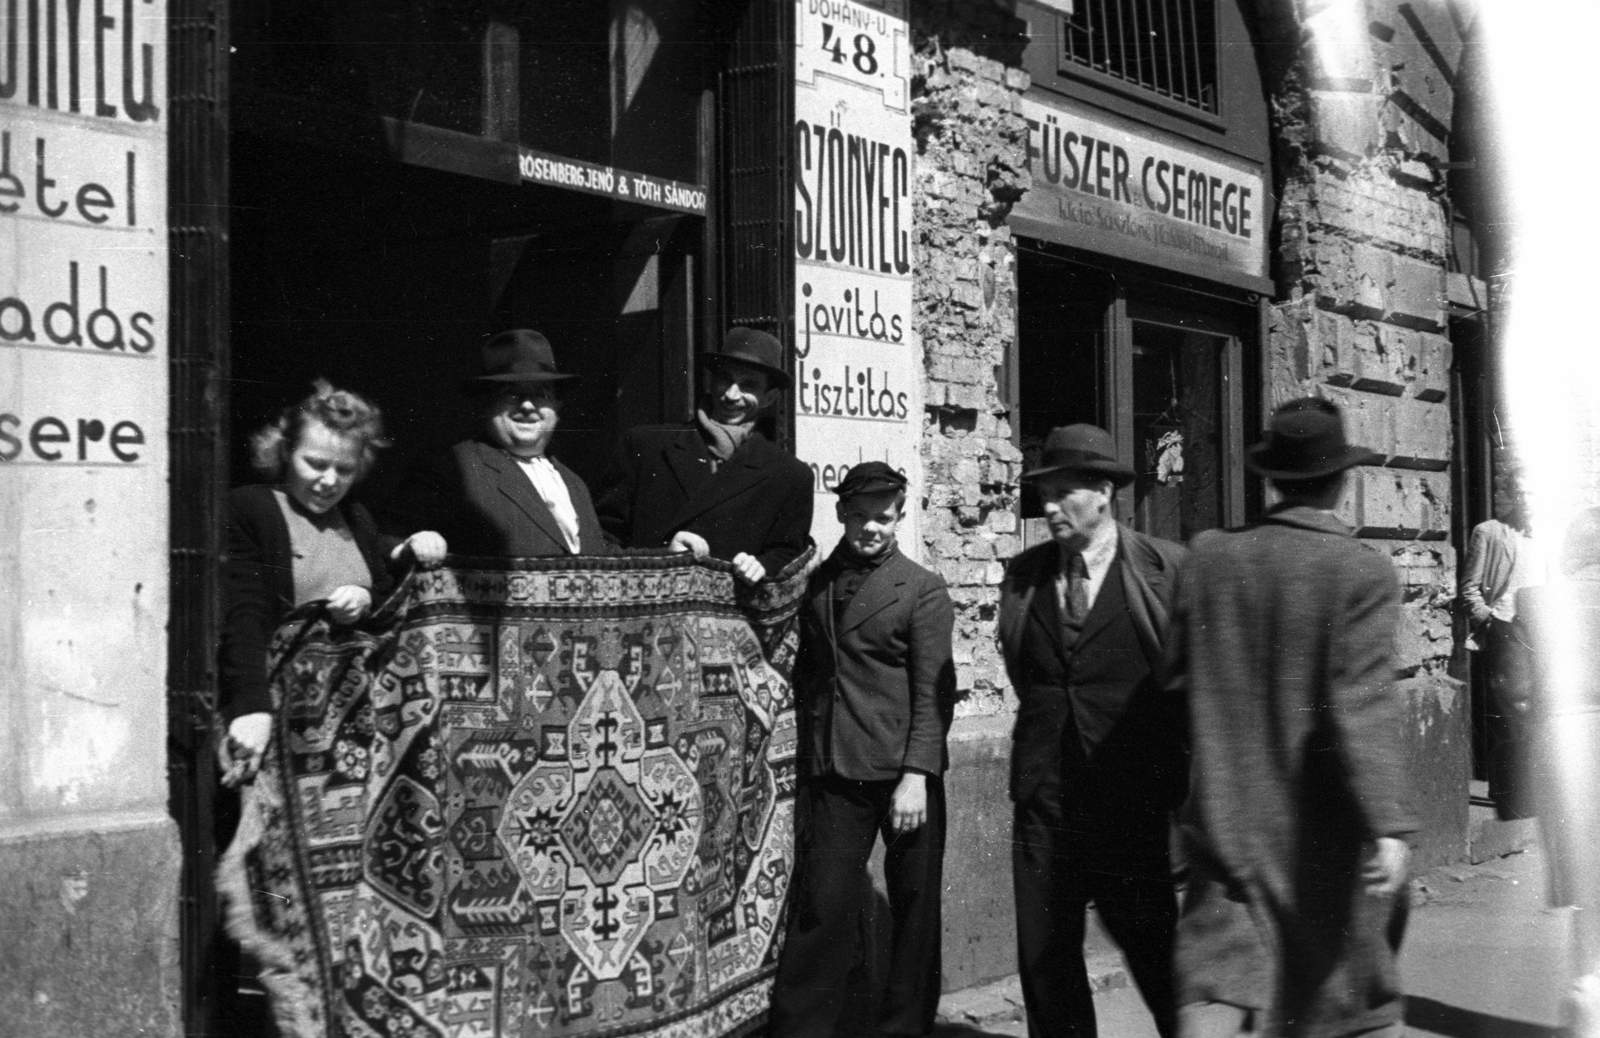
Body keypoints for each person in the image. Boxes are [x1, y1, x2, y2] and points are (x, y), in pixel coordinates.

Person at [1168, 398, 1413, 1038]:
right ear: (1342, 480)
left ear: (1271, 478)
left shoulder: (1208, 557)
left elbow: (1172, 685)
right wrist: (1387, 825)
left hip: (1226, 831)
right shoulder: (1360, 569)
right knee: (1341, 1004)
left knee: (1220, 997)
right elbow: (1363, 704)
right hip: (1320, 843)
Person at [996, 423, 1187, 1038]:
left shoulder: (1163, 570)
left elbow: (1187, 684)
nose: (1048, 508)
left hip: (1129, 800)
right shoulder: (1023, 577)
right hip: (1044, 799)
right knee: (1046, 962)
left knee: (1155, 951)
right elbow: (1025, 669)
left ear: (1103, 492)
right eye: (1042, 495)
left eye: (1063, 495)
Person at [769, 462, 956, 1038]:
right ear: (842, 515)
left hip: (905, 777)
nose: (872, 528)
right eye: (861, 517)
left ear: (899, 516)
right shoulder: (819, 582)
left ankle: (904, 1028)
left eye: (884, 517)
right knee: (824, 905)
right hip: (836, 771)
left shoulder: (922, 589)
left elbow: (934, 693)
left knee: (913, 912)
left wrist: (916, 774)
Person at [219, 380, 446, 785]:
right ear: (286, 451)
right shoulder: (251, 509)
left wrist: (366, 595)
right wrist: (250, 707)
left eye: (344, 469)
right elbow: (244, 614)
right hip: (283, 720)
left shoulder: (356, 518)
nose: (329, 481)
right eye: (315, 463)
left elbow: (380, 591)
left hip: (353, 733)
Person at [597, 326, 812, 583]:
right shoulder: (645, 446)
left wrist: (761, 566)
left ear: (769, 398)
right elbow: (600, 539)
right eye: (725, 379)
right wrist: (661, 557)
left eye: (748, 385)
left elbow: (788, 556)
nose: (732, 395)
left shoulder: (790, 475)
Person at [387, 329, 608, 557]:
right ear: (486, 401)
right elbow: (385, 540)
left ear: (556, 406)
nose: (528, 406)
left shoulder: (575, 484)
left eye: (540, 394)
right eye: (512, 394)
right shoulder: (450, 470)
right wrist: (411, 544)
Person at [1516, 507, 1600, 1033]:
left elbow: (1517, 689)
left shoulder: (1535, 601)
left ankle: (1587, 992)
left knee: (1585, 870)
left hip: (1565, 736)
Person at [1459, 499, 1543, 817]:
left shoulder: (1547, 535)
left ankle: (1536, 795)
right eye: (1520, 491)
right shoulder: (1491, 532)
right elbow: (1468, 588)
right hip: (1507, 632)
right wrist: (1492, 624)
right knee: (1508, 716)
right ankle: (1510, 798)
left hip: (1543, 631)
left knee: (1542, 712)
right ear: (1509, 492)